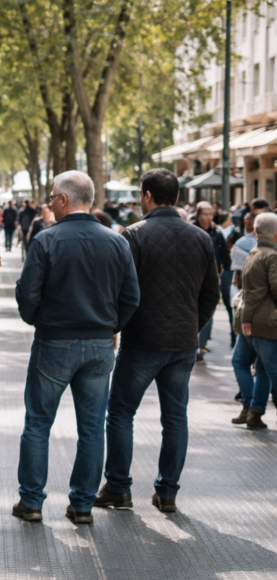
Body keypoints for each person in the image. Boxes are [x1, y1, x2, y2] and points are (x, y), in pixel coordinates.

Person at [12, 171, 140, 525]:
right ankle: (82, 504)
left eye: (53, 196)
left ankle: (32, 502)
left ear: (64, 199)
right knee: (92, 427)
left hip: (55, 341)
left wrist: (38, 319)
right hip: (100, 345)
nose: (50, 202)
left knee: (38, 423)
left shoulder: (46, 239)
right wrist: (110, 326)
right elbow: (132, 297)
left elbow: (27, 294)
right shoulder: (117, 241)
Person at [97, 169, 219, 515]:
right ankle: (167, 493)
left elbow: (122, 291)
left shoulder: (133, 235)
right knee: (175, 417)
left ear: (147, 196)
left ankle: (119, 487)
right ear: (177, 198)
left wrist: (117, 326)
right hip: (183, 344)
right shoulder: (201, 238)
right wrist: (193, 327)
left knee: (120, 411)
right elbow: (211, 293)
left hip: (142, 341)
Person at [230, 213, 273, 425]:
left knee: (250, 364)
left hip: (254, 319)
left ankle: (252, 409)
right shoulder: (270, 255)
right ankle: (253, 409)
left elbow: (253, 291)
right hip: (261, 321)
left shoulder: (258, 252)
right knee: (266, 368)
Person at [194, 201, 231, 364]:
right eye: (205, 214)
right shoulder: (191, 230)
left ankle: (200, 346)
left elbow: (224, 255)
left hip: (212, 278)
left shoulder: (217, 233)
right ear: (198, 215)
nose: (208, 217)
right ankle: (195, 346)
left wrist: (224, 270)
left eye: (211, 214)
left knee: (208, 309)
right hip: (193, 278)